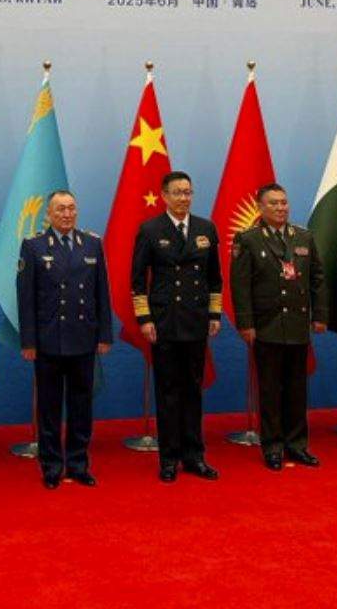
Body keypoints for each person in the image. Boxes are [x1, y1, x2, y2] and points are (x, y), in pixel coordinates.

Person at [130, 171, 222, 483]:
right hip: (165, 322)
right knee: (168, 391)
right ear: (165, 196)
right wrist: (145, 319)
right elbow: (137, 280)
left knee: (193, 390)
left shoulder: (205, 228)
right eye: (178, 192)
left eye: (188, 192)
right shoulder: (150, 229)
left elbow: (215, 278)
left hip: (195, 320)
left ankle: (195, 456)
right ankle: (169, 458)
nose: (184, 198)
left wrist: (214, 314)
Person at [17, 190, 112, 489]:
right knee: (49, 408)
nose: (67, 214)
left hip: (83, 338)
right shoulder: (33, 246)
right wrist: (29, 341)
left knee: (81, 406)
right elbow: (26, 298)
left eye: (71, 208)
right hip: (48, 340)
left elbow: (102, 293)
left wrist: (104, 334)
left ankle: (78, 464)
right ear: (49, 214)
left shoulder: (92, 244)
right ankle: (51, 466)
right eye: (60, 209)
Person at [231, 183, 328, 471]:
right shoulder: (248, 239)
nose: (280, 208)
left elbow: (318, 278)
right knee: (271, 390)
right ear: (260, 207)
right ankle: (272, 447)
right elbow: (240, 286)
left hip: (297, 324)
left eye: (283, 202)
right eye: (273, 203)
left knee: (297, 389)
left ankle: (297, 445)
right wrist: (246, 323)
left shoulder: (304, 236)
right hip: (266, 325)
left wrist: (320, 315)